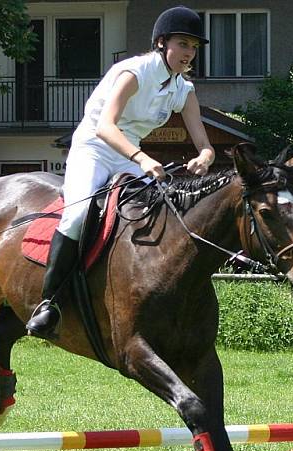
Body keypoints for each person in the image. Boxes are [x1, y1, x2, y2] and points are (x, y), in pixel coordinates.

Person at [26, 5, 215, 339]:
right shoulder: (134, 72)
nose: (190, 53)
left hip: (129, 153)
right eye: (183, 44)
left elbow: (202, 138)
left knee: (161, 211)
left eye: (194, 47)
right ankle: (49, 302)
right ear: (162, 42)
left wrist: (205, 155)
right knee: (78, 213)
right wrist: (142, 160)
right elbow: (104, 127)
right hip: (95, 147)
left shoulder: (183, 89)